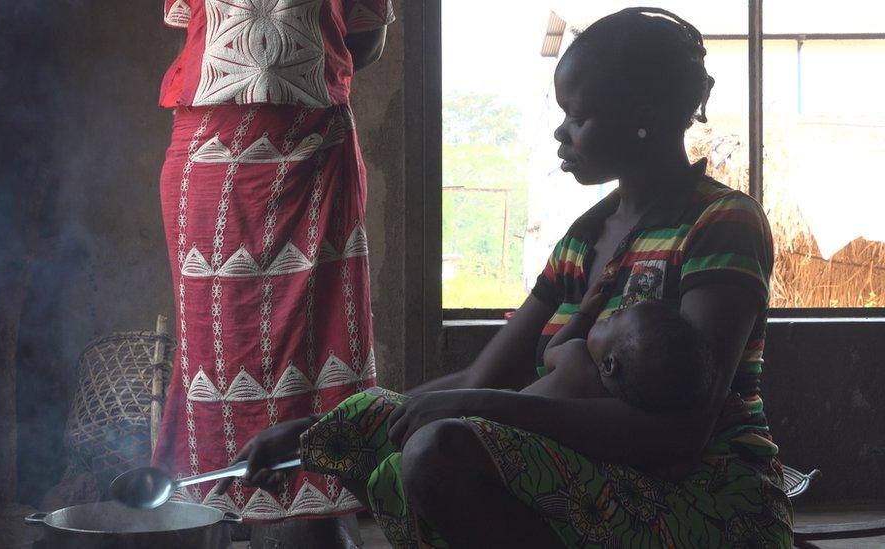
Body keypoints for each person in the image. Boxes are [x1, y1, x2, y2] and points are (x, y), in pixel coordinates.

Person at [224, 7, 793, 547]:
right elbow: (485, 373)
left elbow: (683, 433)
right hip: (601, 482)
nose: (561, 133)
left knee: (437, 451)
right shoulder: (586, 237)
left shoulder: (721, 224)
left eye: (579, 115)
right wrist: (317, 431)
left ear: (642, 116)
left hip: (705, 496)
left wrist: (485, 407)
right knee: (393, 439)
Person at [152, 0, 395, 544]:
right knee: (216, 346)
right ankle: (219, 511)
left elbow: (365, 41)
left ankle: (315, 516)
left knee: (317, 339)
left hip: (313, 149)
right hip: (209, 149)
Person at [532, 279, 714, 416]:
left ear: (609, 364)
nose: (608, 314)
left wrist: (583, 314)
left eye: (612, 319)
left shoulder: (576, 357)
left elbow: (549, 353)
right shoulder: (619, 406)